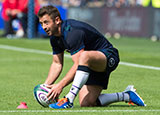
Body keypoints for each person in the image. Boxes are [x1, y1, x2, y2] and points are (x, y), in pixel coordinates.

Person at [37, 5, 146, 109]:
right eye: (41, 23)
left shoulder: (72, 32)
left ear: (57, 20)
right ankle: (126, 95)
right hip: (89, 64)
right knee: (87, 103)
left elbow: (77, 64)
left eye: (46, 22)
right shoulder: (54, 38)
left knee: (84, 56)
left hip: (108, 56)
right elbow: (57, 64)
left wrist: (60, 86)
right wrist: (46, 87)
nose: (44, 27)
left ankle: (69, 99)